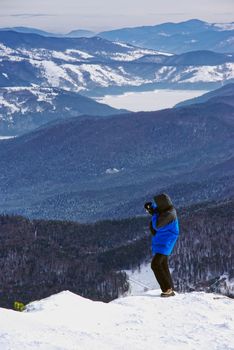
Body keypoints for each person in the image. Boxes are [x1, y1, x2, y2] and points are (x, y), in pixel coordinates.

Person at [144, 193, 179, 297]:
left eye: (158, 204)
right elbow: (159, 211)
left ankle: (167, 289)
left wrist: (154, 213)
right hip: (163, 240)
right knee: (163, 264)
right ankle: (170, 288)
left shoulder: (170, 214)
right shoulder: (167, 209)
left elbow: (157, 225)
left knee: (155, 264)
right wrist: (151, 207)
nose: (157, 206)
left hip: (166, 242)